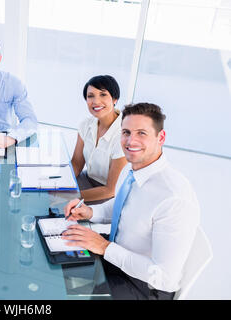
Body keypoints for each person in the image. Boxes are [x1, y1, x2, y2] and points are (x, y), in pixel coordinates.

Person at [62, 103, 200, 300]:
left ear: (160, 137)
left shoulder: (174, 197)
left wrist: (104, 247)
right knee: (56, 268)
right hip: (117, 259)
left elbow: (164, 278)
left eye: (141, 133)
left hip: (144, 287)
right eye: (126, 132)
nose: (130, 140)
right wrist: (92, 212)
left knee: (63, 294)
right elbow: (122, 205)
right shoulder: (136, 169)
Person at [71, 75, 127, 204]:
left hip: (108, 194)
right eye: (90, 96)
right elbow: (76, 165)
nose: (96, 101)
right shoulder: (86, 124)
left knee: (61, 208)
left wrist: (68, 197)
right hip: (87, 180)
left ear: (115, 99)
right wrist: (58, 185)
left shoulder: (123, 135)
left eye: (103, 95)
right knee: (47, 197)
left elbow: (110, 190)